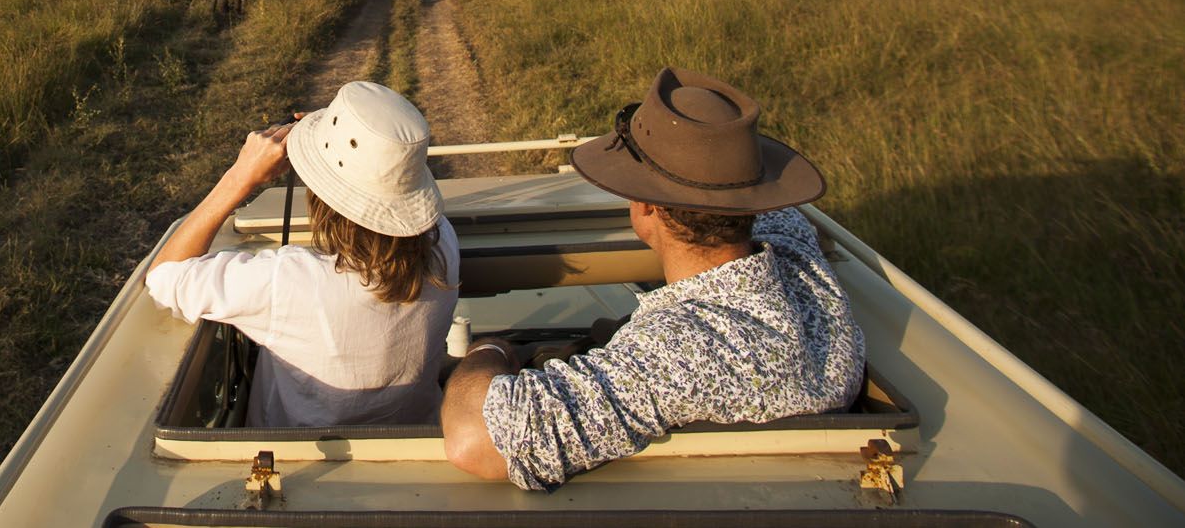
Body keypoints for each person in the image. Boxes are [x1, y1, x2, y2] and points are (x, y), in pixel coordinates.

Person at [440, 67, 865, 489]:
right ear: (749, 203)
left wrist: (488, 349)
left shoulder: (679, 350)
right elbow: (782, 213)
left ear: (645, 207)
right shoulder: (800, 264)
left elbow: (474, 441)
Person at [145, 81, 462, 427]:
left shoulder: (290, 282)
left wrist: (240, 177)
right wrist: (344, 145)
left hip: (295, 458)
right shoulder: (442, 244)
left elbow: (163, 277)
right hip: (413, 436)